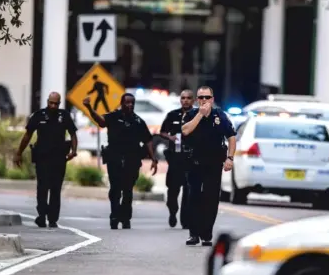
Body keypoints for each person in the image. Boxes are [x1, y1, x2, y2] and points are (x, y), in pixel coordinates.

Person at [82, 93, 158, 230]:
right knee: (115, 189)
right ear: (121, 103)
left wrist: (153, 159)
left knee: (128, 190)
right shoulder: (114, 116)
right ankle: (115, 216)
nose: (130, 105)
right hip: (114, 158)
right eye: (127, 103)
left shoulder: (138, 121)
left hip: (132, 159)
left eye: (132, 103)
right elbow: (101, 121)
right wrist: (89, 108)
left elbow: (148, 140)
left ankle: (126, 218)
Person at [181, 86, 236, 246]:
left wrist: (230, 158)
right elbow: (185, 131)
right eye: (200, 97)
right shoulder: (191, 114)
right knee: (194, 197)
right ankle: (193, 234)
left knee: (211, 199)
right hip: (194, 163)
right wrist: (200, 114)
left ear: (212, 99)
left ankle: (206, 234)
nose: (204, 100)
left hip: (213, 164)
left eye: (207, 97)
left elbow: (231, 136)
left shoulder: (220, 115)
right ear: (197, 100)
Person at [14, 92, 78, 228]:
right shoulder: (38, 115)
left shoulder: (64, 115)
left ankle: (53, 218)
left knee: (55, 189)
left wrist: (73, 151)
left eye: (56, 103)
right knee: (42, 187)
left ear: (59, 103)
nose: (53, 106)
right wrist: (18, 153)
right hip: (42, 157)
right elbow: (27, 135)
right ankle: (42, 216)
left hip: (59, 158)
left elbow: (73, 134)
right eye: (51, 103)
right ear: (47, 102)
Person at [159, 89, 194, 229]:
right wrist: (170, 137)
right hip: (175, 158)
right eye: (183, 98)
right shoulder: (172, 115)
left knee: (188, 191)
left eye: (188, 98)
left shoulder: (197, 115)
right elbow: (162, 131)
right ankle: (172, 212)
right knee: (172, 191)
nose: (185, 100)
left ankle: (185, 220)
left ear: (193, 100)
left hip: (190, 159)